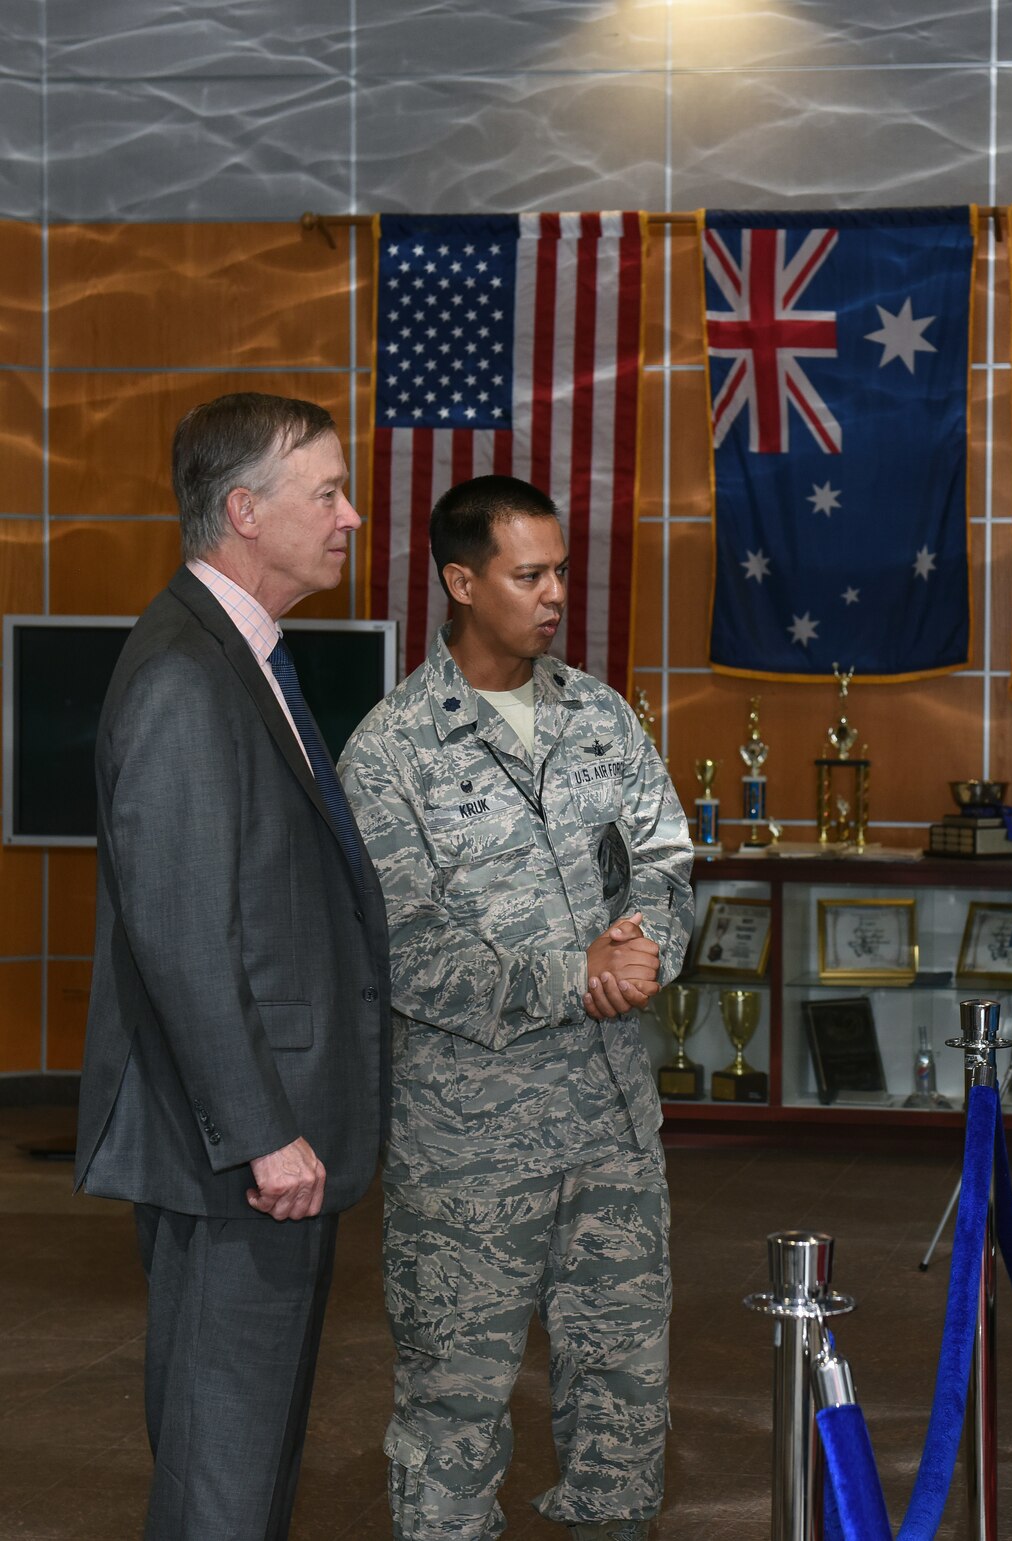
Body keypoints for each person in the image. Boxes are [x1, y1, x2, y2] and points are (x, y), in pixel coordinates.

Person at [338, 474, 692, 1541]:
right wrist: (571, 973)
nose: (553, 594)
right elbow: (401, 945)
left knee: (624, 1393)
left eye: (560, 571)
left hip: (613, 1123)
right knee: (454, 1402)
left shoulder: (599, 713)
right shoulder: (390, 750)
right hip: (468, 1143)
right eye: (527, 573)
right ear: (461, 580)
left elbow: (666, 858)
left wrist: (644, 946)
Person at [75, 392, 390, 1540]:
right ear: (245, 511)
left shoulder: (234, 656)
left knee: (245, 1462)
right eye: (328, 492)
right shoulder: (184, 675)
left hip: (259, 1141)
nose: (352, 515)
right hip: (237, 1152)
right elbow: (180, 936)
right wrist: (263, 1130)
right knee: (222, 1468)